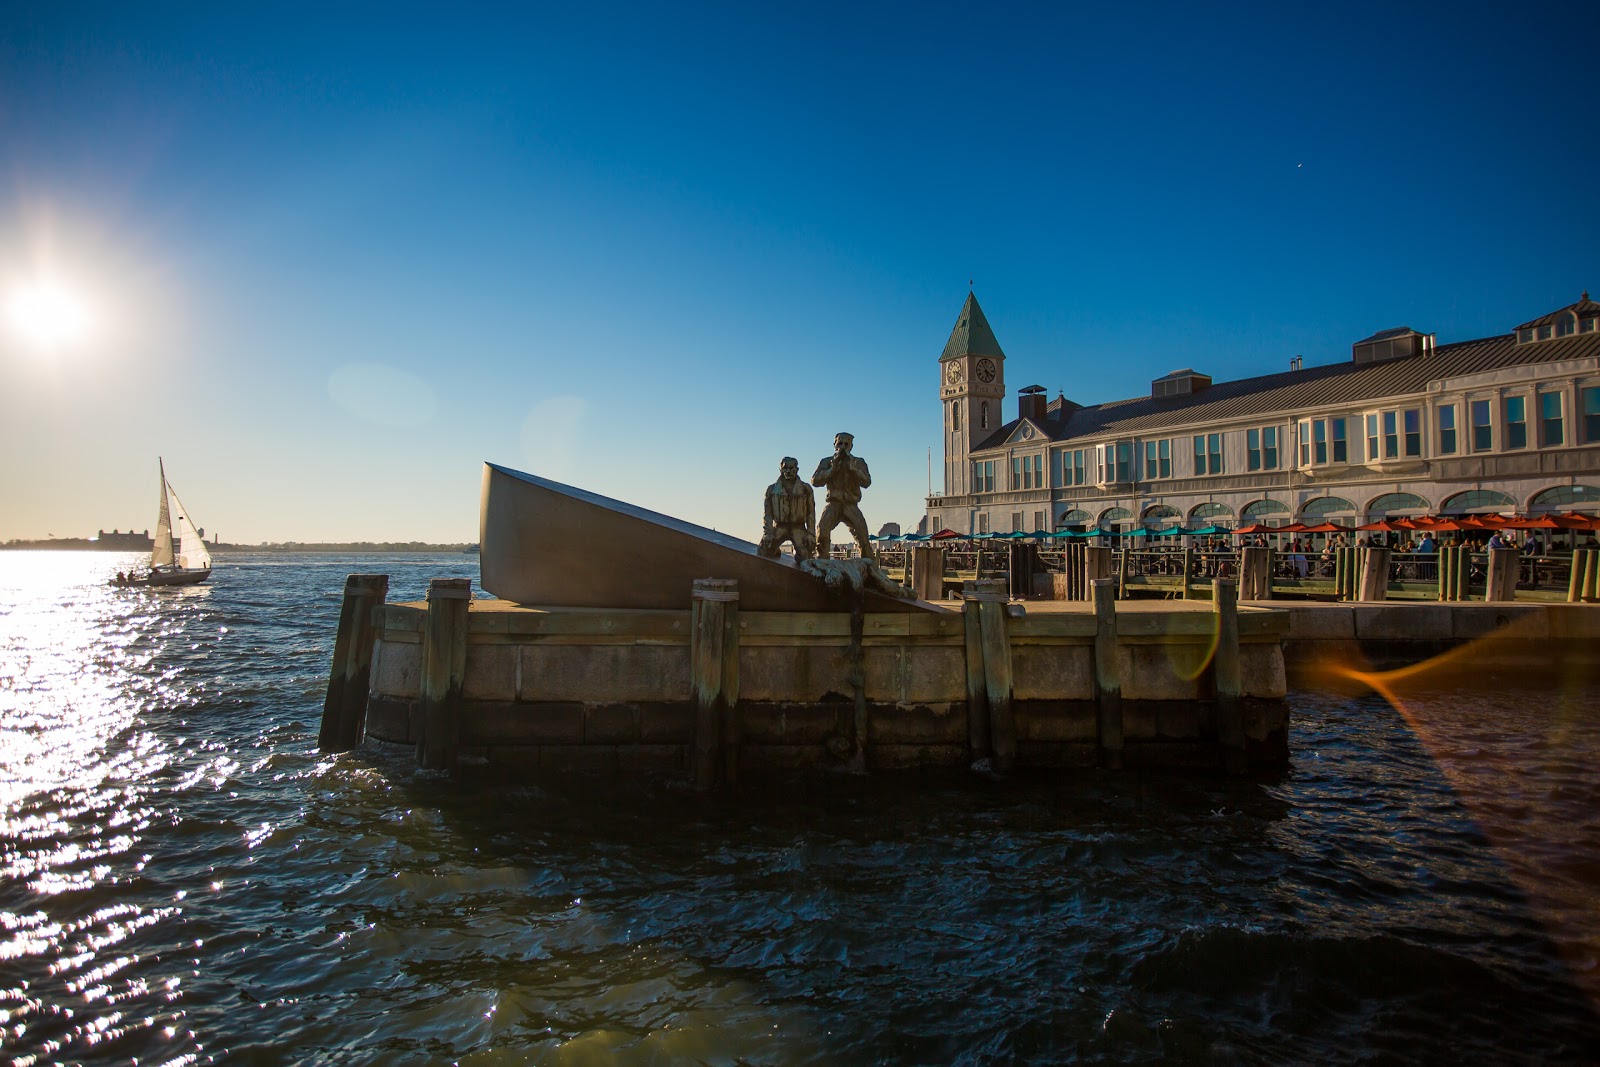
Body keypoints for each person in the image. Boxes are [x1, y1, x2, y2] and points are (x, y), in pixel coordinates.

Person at [812, 432, 875, 559]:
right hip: (833, 503)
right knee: (822, 529)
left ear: (851, 446)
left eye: (846, 444)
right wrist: (831, 470)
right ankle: (822, 560)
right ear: (834, 445)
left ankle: (868, 565)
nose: (843, 447)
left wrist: (854, 469)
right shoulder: (826, 461)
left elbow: (867, 482)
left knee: (862, 535)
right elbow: (815, 481)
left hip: (851, 504)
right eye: (840, 443)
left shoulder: (858, 462)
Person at [758, 456, 816, 561]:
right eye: (785, 468)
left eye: (791, 468)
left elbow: (810, 513)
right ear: (780, 470)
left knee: (806, 555)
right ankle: (775, 552)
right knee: (764, 549)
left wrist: (811, 534)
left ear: (797, 469)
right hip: (780, 527)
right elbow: (768, 514)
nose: (788, 471)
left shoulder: (806, 489)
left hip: (798, 528)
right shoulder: (771, 490)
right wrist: (768, 533)